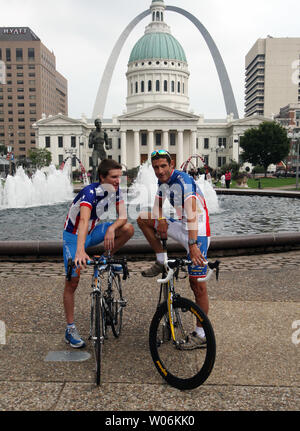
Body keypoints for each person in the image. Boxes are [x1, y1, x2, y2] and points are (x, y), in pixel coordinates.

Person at [137, 150, 211, 349]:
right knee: (143, 219)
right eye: (155, 167)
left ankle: (201, 334)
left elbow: (193, 215)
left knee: (198, 285)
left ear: (171, 165)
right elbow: (156, 207)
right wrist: (160, 220)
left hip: (199, 232)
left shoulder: (183, 181)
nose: (159, 171)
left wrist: (193, 246)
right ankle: (161, 259)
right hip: (182, 227)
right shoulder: (164, 183)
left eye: (163, 166)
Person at [63, 159, 134, 348]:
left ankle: (103, 259)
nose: (118, 181)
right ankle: (70, 329)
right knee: (72, 281)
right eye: (114, 177)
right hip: (73, 236)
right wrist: (80, 251)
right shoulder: (89, 192)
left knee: (127, 229)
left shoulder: (116, 191)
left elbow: (123, 217)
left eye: (120, 176)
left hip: (93, 233)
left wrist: (112, 229)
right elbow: (83, 222)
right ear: (102, 177)